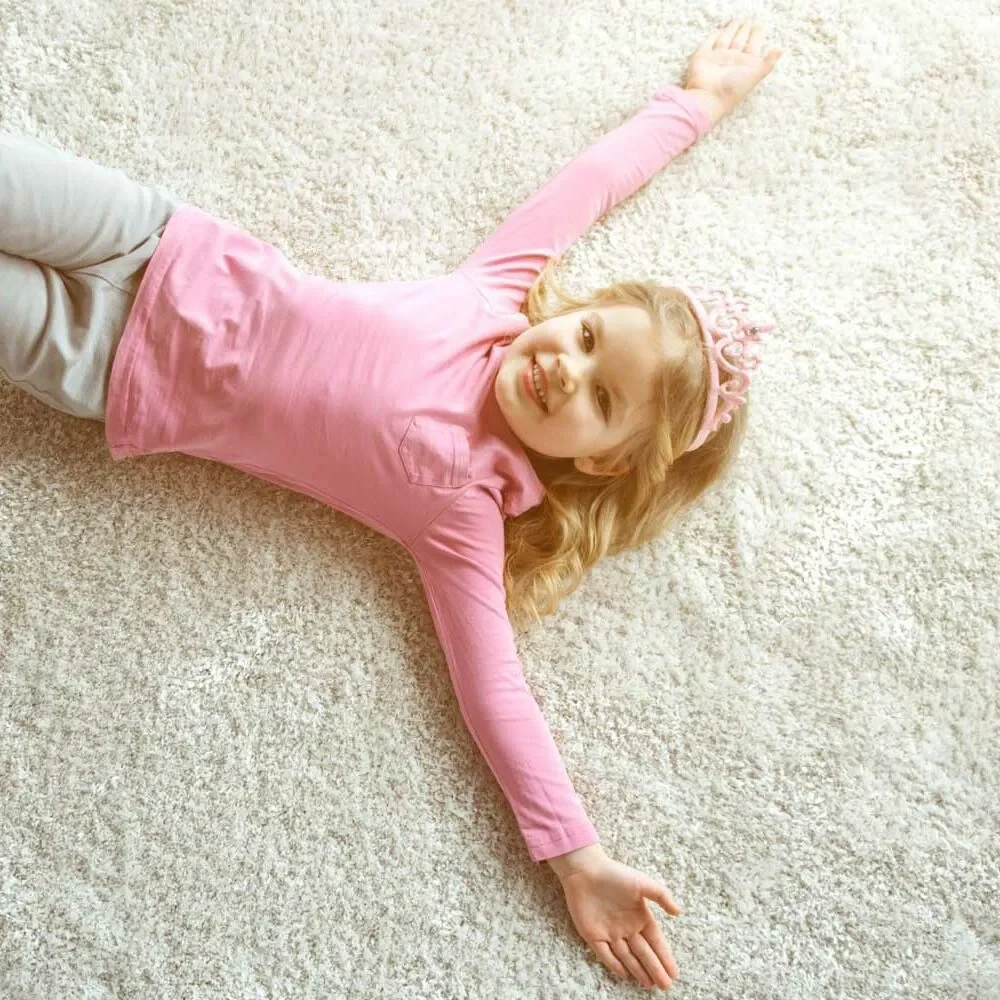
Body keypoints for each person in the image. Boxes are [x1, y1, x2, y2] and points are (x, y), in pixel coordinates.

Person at [0, 17, 782, 992]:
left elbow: (495, 691)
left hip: (108, 366)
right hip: (157, 240)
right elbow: (588, 184)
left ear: (602, 460)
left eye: (601, 397)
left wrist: (576, 857)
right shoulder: (495, 297)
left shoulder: (462, 512)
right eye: (586, 337)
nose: (564, 368)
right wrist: (696, 104)